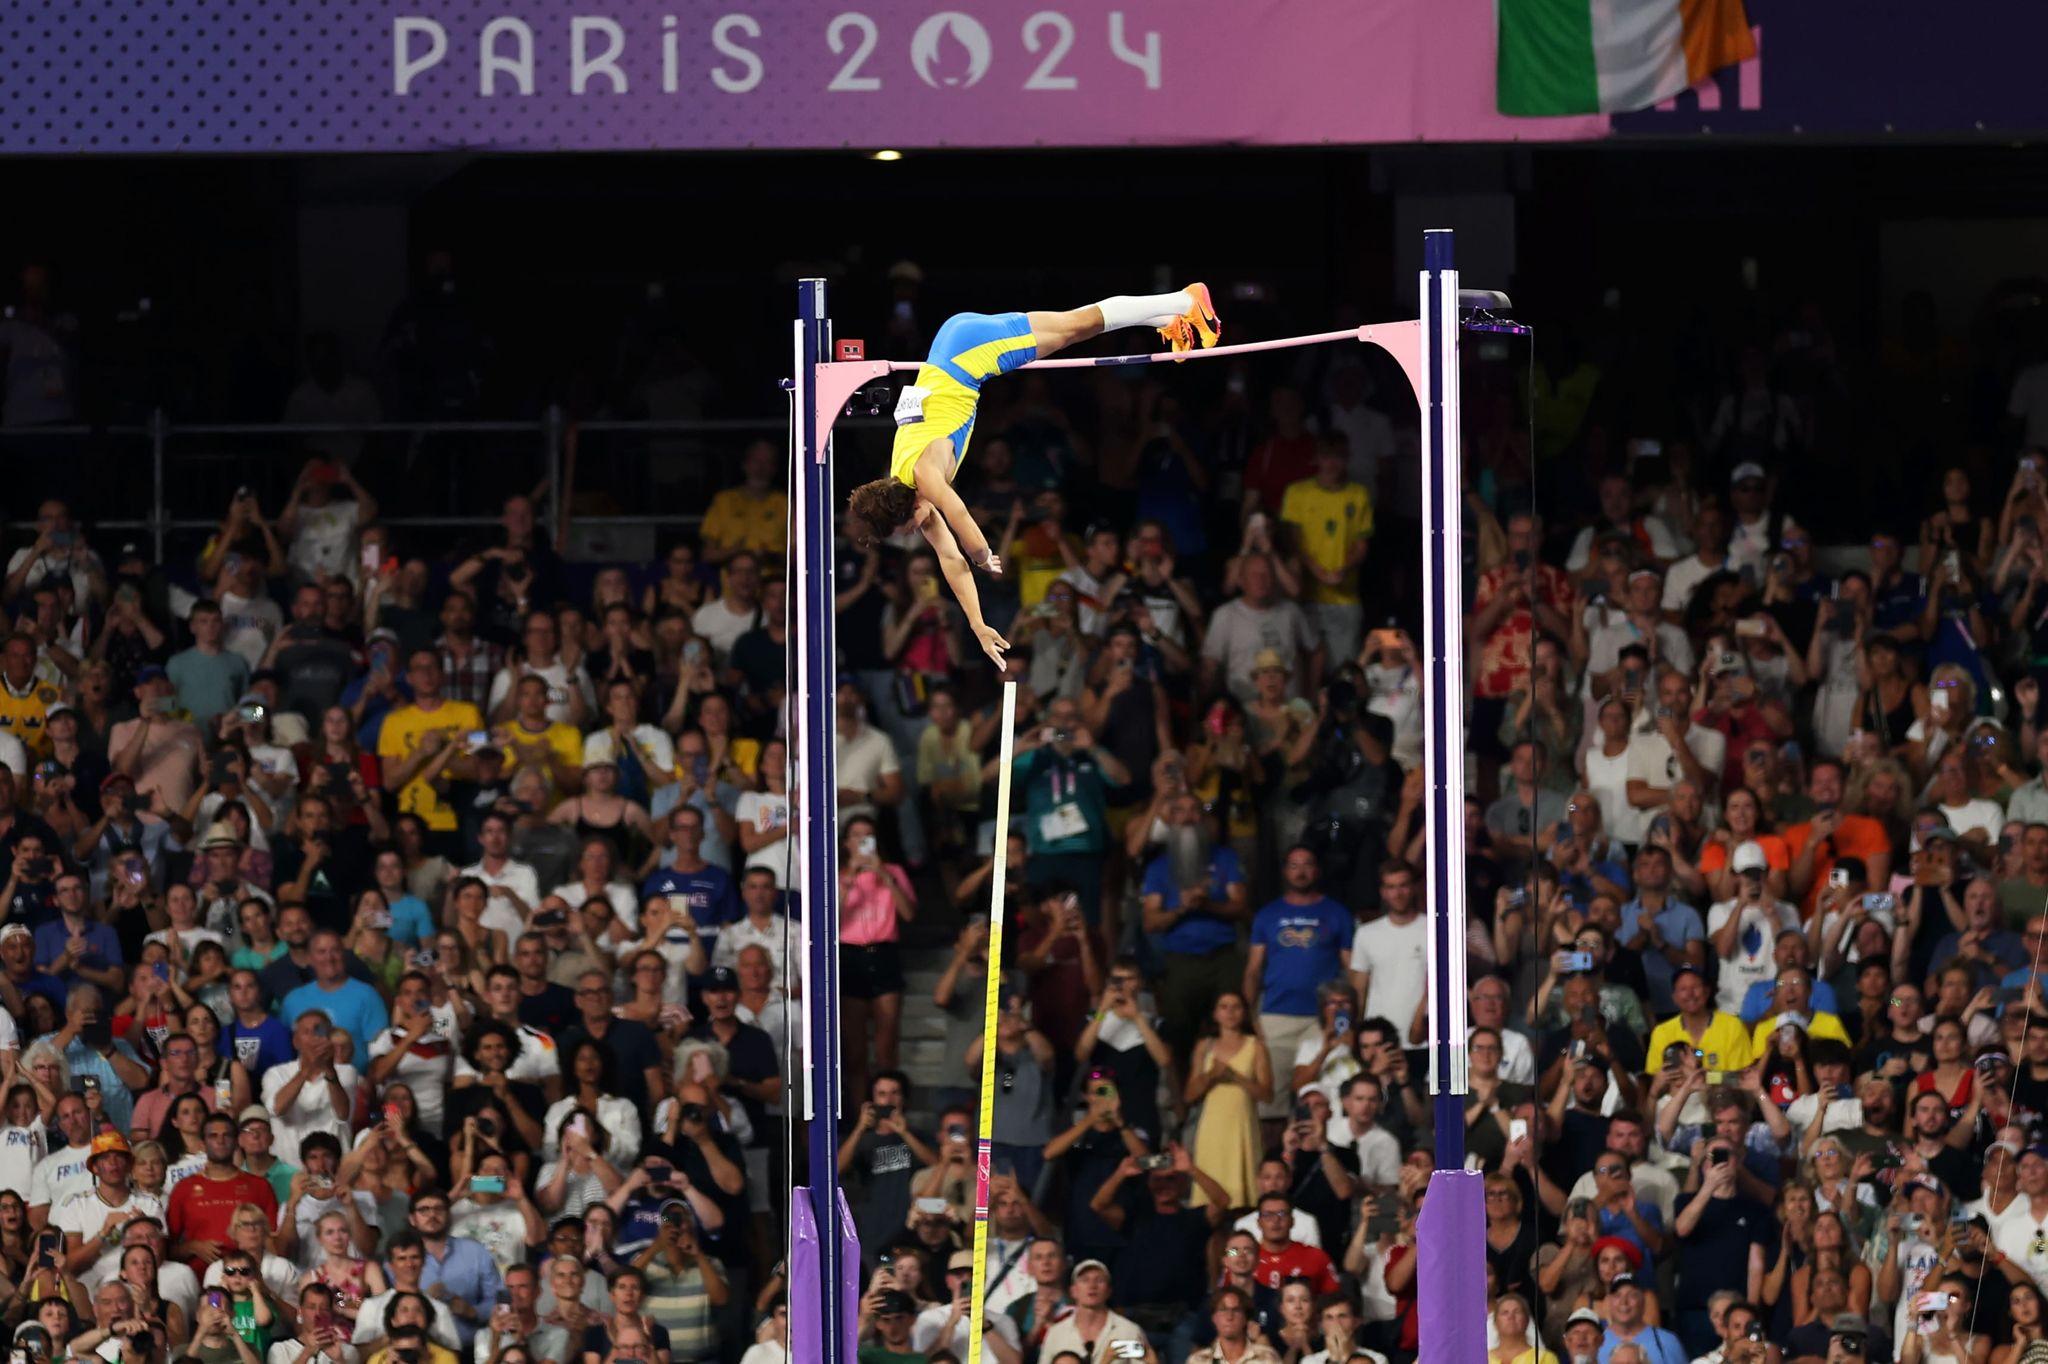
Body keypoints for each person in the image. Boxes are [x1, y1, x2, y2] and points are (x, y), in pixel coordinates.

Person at [845, 288, 1222, 666]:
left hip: (968, 356)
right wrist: (978, 625)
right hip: (955, 348)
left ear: (905, 505)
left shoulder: (924, 476)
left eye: (906, 527)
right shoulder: (909, 490)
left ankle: (1185, 300)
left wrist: (983, 556)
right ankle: (1169, 316)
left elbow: (960, 517)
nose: (913, 531)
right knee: (1071, 328)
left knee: (1076, 326)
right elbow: (950, 560)